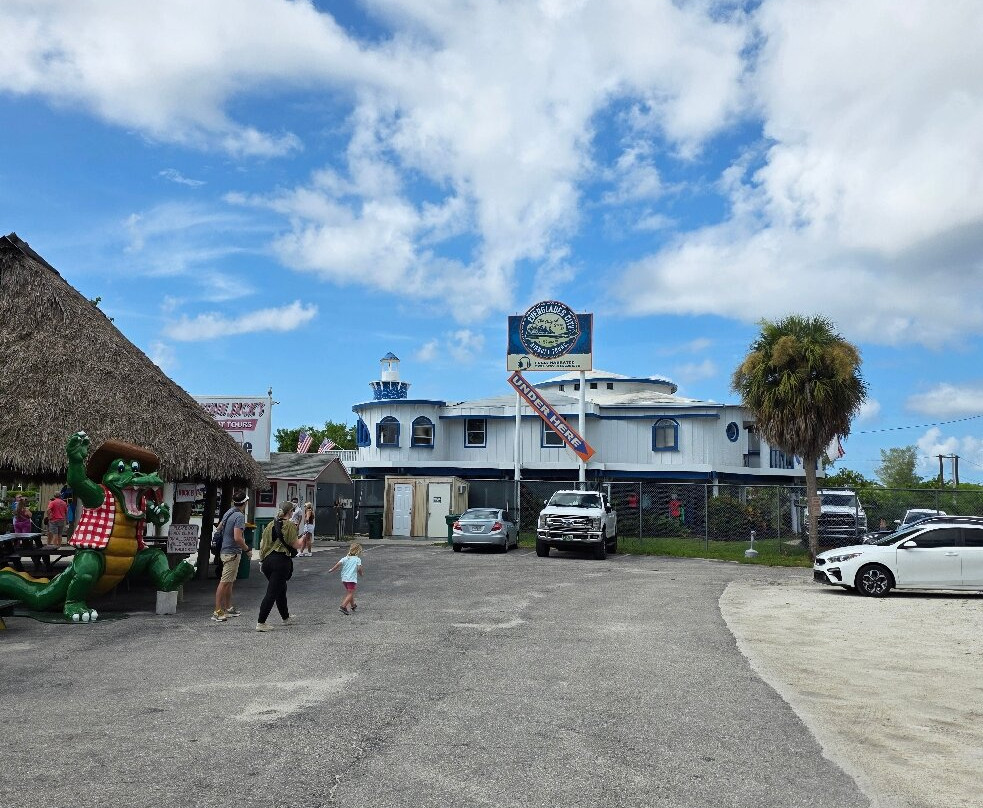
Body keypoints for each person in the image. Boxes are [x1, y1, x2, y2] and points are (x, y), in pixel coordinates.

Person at [255, 501, 303, 632]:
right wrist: (303, 539)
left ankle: (285, 617)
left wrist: (262, 561)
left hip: (267, 561)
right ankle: (261, 622)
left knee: (281, 589)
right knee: (272, 592)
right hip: (280, 561)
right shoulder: (289, 525)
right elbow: (296, 544)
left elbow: (263, 545)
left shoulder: (270, 524)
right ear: (290, 512)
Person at [212, 493, 252, 622]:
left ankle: (228, 607)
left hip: (225, 550)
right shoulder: (239, 516)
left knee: (229, 581)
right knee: (224, 582)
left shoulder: (229, 512)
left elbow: (219, 528)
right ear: (245, 503)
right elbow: (238, 537)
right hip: (232, 552)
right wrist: (247, 549)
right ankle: (217, 611)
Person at [329, 542, 364, 615]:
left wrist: (331, 570)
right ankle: (343, 606)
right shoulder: (357, 559)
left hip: (344, 579)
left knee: (349, 592)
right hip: (351, 579)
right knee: (351, 593)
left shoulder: (345, 558)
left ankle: (353, 605)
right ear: (358, 551)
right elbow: (359, 569)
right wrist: (361, 574)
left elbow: (337, 565)